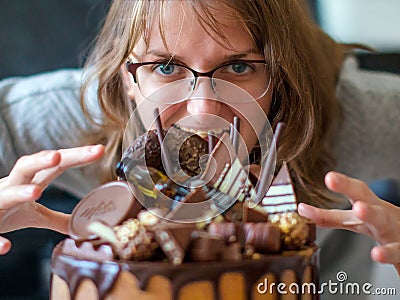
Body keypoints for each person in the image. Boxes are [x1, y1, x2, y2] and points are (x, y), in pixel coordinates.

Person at [0, 0, 399, 297]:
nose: (202, 109)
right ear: (127, 79)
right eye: (167, 68)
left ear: (281, 79)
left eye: (239, 67)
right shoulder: (76, 119)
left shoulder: (354, 117)